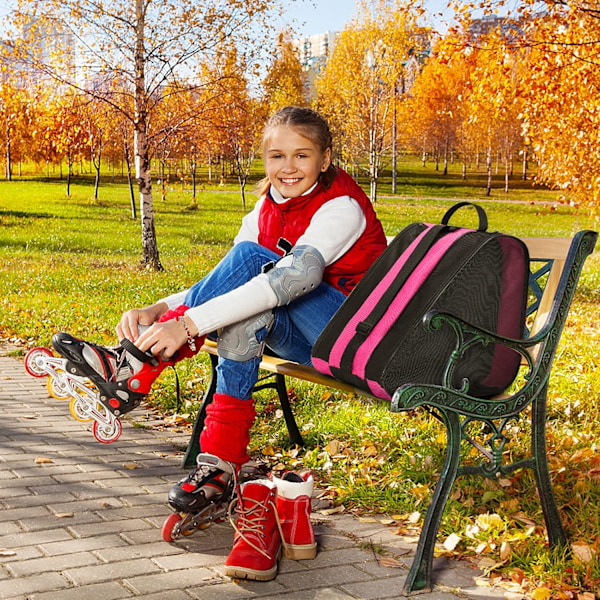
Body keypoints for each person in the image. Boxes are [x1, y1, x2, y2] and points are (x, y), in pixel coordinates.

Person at [52, 106, 387, 580]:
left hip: (355, 336)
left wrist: (183, 326)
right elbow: (233, 284)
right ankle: (222, 462)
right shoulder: (266, 206)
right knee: (242, 308)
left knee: (253, 264)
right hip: (308, 334)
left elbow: (298, 277)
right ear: (264, 159)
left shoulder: (342, 206)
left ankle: (132, 368)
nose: (287, 167)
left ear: (325, 158)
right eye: (276, 155)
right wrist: (162, 308)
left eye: (301, 155)